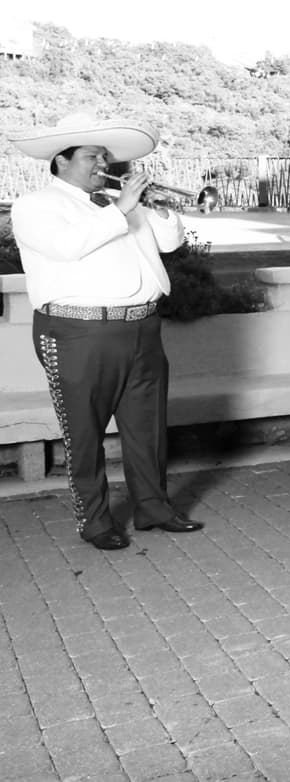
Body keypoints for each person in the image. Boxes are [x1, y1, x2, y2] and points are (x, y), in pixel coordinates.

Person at [9, 113, 205, 551]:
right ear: (61, 161)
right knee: (84, 431)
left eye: (104, 157)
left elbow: (171, 243)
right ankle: (94, 521)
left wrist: (158, 207)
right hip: (78, 331)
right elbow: (67, 246)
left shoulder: (121, 203)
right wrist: (122, 208)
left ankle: (153, 508)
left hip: (142, 326)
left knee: (147, 427)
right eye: (91, 157)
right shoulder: (36, 206)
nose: (102, 164)